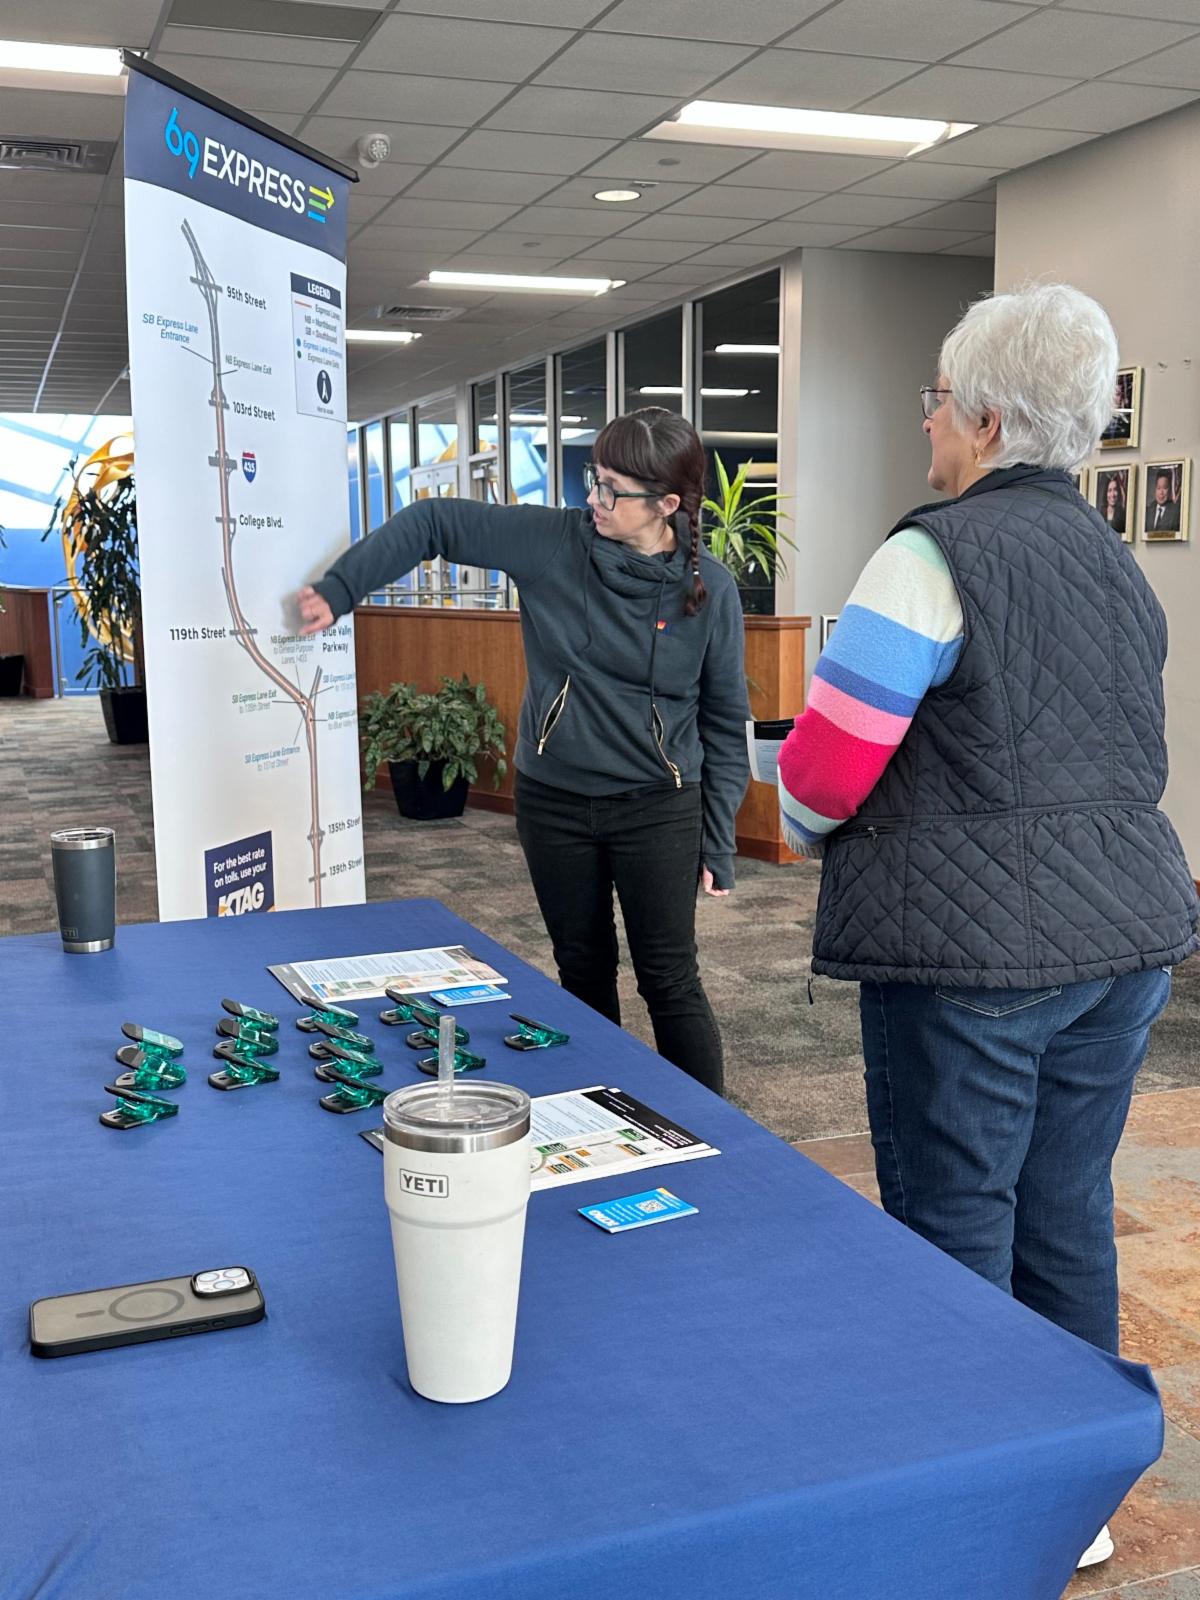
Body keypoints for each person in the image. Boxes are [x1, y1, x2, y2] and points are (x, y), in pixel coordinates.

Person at [776, 284, 1198, 1569]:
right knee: (1064, 1205)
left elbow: (823, 777)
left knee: (955, 1217)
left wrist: (791, 824)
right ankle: (1072, 1499)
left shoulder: (929, 557)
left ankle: (968, 1495)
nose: (926, 434)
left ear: (990, 415)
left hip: (974, 961)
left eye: (936, 406)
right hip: (1126, 943)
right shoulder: (1120, 570)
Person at [296, 408, 749, 1095]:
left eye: (613, 491)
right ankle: (602, 1113)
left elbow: (724, 717)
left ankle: (717, 1142)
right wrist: (341, 589)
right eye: (594, 482)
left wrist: (717, 838)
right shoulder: (553, 543)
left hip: (659, 805)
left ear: (667, 505)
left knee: (669, 977)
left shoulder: (709, 589)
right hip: (556, 801)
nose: (593, 500)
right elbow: (433, 522)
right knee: (582, 967)